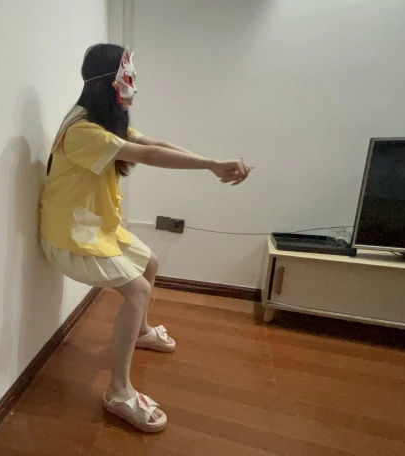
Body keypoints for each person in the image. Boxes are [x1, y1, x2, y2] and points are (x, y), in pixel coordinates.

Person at [39, 43, 253, 433]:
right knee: (137, 289)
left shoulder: (102, 121)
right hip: (68, 235)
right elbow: (147, 155)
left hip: (90, 225)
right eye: (128, 77)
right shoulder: (83, 130)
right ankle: (118, 392)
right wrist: (210, 165)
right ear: (108, 82)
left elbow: (152, 145)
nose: (134, 86)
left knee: (149, 262)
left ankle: (138, 331)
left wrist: (211, 162)